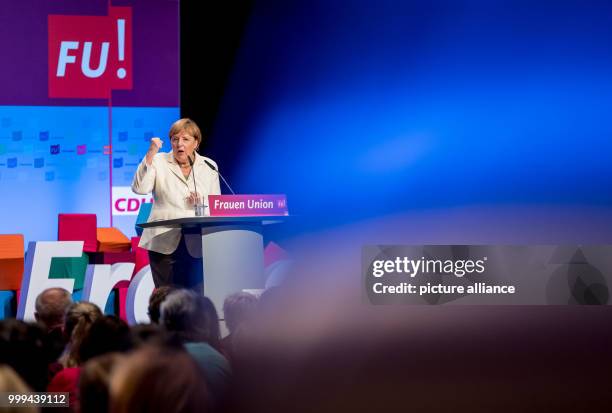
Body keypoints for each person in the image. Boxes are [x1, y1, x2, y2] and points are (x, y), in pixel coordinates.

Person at [132, 118, 221, 288]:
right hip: (163, 240)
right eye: (175, 139)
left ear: (196, 142)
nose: (179, 144)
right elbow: (139, 188)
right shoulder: (158, 161)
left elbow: (215, 207)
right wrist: (151, 153)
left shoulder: (209, 166)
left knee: (195, 297)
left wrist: (201, 204)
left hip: (197, 242)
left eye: (185, 139)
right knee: (166, 298)